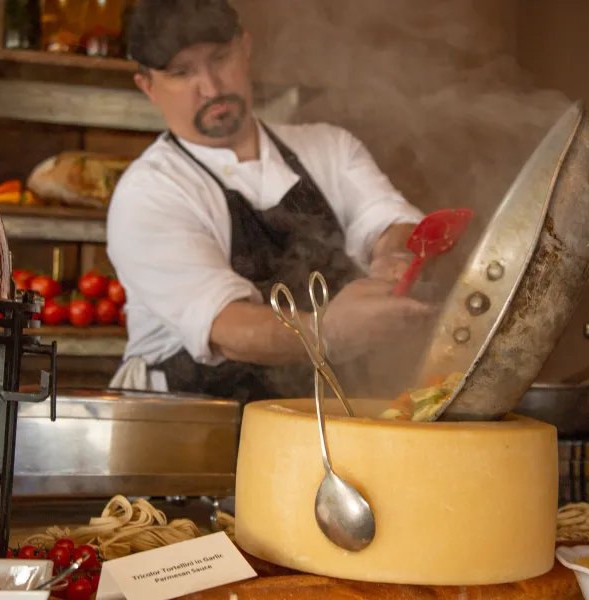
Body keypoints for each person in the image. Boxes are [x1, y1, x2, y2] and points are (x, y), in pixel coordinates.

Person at [106, 0, 434, 401]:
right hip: (190, 425)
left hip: (323, 412)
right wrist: (331, 331)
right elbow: (229, 330)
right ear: (147, 87)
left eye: (220, 58)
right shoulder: (151, 192)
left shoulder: (328, 147)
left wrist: (393, 257)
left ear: (245, 49)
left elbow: (387, 220)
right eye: (182, 73)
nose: (210, 87)